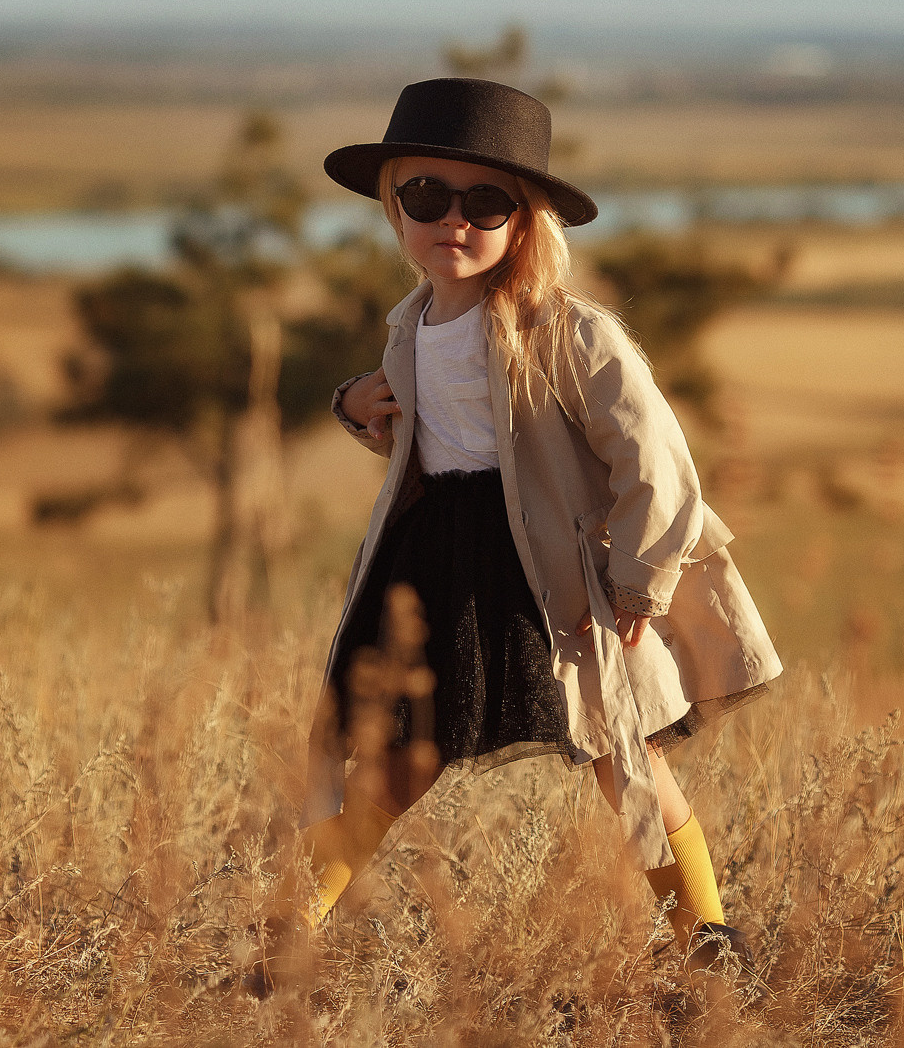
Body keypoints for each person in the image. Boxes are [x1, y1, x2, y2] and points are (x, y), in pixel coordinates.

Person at [266, 76, 782, 981]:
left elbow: (656, 464)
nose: (452, 220)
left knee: (620, 751)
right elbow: (416, 437)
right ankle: (288, 931)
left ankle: (706, 940)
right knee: (396, 756)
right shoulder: (407, 327)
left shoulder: (572, 335)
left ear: (525, 220)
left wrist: (639, 580)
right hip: (436, 568)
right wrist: (353, 405)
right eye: (426, 195)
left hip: (553, 578)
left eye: (485, 201)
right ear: (394, 208)